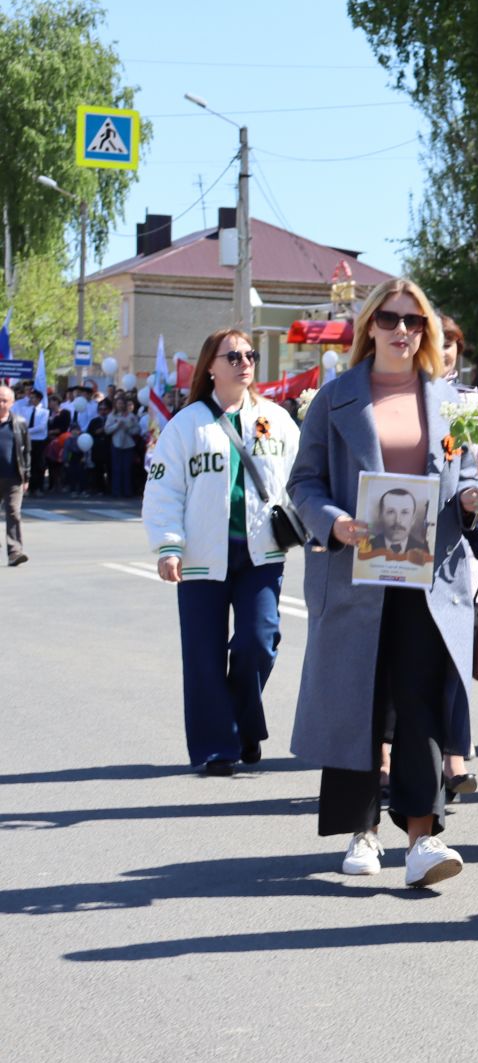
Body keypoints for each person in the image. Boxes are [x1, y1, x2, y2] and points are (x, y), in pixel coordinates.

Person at [288, 277, 478, 887]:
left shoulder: (451, 401)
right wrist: (336, 523)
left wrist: (476, 498)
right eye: (389, 319)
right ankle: (362, 832)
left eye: (413, 320)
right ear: (369, 326)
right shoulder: (335, 398)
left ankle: (423, 839)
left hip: (429, 577)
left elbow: (457, 489)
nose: (401, 329)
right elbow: (304, 485)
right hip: (357, 573)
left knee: (421, 702)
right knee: (361, 700)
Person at [139, 328, 301, 775]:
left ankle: (242, 725)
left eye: (249, 355)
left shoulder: (277, 419)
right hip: (200, 557)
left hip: (261, 554)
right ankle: (217, 747)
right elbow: (164, 490)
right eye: (233, 356)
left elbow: (301, 478)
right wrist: (168, 545)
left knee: (259, 643)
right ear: (210, 366)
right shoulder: (186, 424)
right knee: (204, 655)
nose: (244, 362)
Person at [434, 313, 478, 803]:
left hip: (457, 545)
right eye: (438, 343)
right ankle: (387, 757)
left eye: (452, 343)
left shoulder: (467, 406)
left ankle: (455, 758)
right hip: (396, 545)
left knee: (454, 653)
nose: (446, 351)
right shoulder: (389, 397)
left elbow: (473, 479)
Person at [0, 385, 28, 566]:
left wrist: (27, 477)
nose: (0, 403)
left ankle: (14, 551)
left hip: (13, 476)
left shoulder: (19, 423)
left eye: (4, 400)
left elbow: (26, 452)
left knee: (13, 512)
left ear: (12, 403)